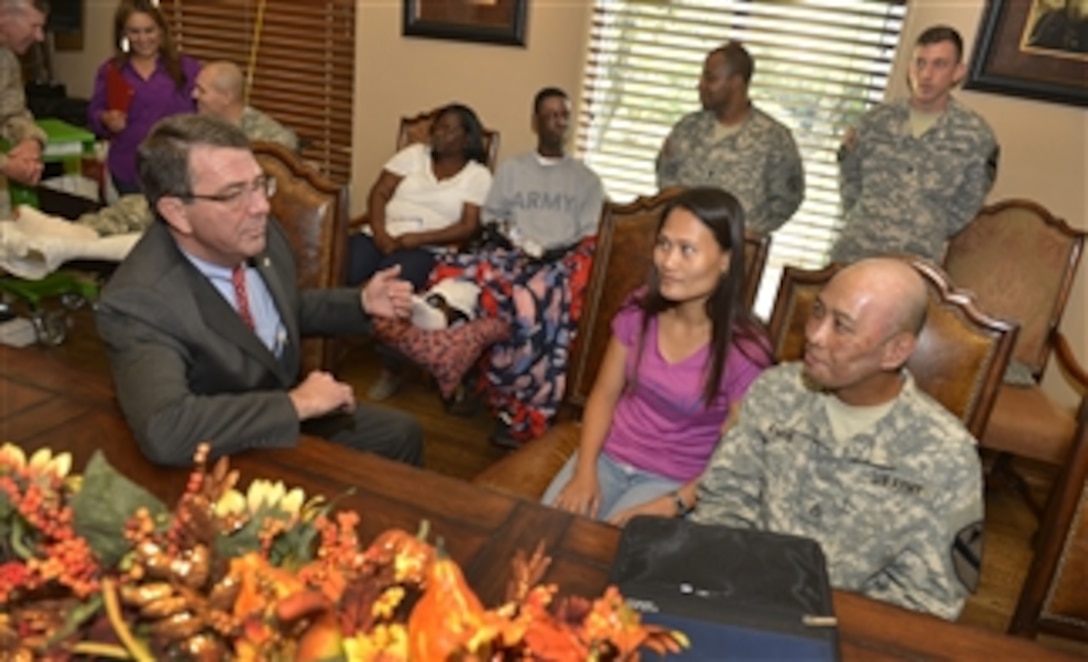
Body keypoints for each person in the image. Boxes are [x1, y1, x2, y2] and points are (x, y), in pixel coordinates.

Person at [95, 114, 423, 468]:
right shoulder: (141, 301)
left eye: (258, 184)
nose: (261, 207)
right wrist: (297, 405)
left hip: (278, 407)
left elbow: (281, 311)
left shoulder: (254, 235)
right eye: (234, 194)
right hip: (219, 448)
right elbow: (166, 430)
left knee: (402, 434)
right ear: (177, 212)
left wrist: (359, 303)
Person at [693, 257, 984, 620]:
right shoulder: (776, 392)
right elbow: (724, 503)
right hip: (743, 603)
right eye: (818, 312)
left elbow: (930, 600)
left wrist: (822, 626)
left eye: (841, 326)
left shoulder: (946, 454)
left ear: (895, 351)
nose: (814, 335)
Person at [541, 188, 772, 524]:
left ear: (726, 259)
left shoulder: (745, 350)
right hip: (608, 455)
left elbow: (738, 458)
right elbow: (604, 395)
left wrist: (671, 505)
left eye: (687, 250)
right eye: (664, 244)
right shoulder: (639, 308)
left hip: (674, 482)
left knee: (610, 556)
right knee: (542, 533)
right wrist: (585, 469)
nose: (668, 262)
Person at [426, 87, 605, 446]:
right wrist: (518, 242)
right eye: (551, 115)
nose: (559, 123)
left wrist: (554, 255)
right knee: (461, 272)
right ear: (535, 122)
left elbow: (590, 237)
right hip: (515, 252)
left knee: (531, 300)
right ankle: (453, 343)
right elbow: (492, 220)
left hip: (561, 263)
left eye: (564, 115)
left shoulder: (586, 180)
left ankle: (522, 411)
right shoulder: (513, 169)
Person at [349, 103, 492, 400]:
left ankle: (390, 369)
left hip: (426, 247)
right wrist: (379, 232)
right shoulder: (413, 156)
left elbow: (468, 227)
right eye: (437, 127)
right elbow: (379, 192)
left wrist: (418, 239)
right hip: (381, 234)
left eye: (449, 129)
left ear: (467, 138)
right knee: (342, 266)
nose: (439, 133)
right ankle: (322, 346)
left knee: (395, 292)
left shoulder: (478, 176)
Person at [832, 25, 999, 265]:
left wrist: (922, 226)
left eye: (939, 64)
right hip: (856, 252)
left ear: (958, 72)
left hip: (915, 260)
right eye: (920, 63)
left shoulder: (975, 136)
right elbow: (849, 180)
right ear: (909, 67)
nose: (926, 74)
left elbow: (966, 206)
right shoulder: (873, 122)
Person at [656, 42, 804, 236]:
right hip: (682, 242)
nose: (700, 85)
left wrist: (749, 231)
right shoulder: (687, 127)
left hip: (733, 251)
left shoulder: (774, 139)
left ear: (736, 83)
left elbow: (787, 199)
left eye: (710, 78)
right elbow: (665, 176)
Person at [88, 0, 200, 195]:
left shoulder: (187, 68)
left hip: (176, 170)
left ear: (162, 31)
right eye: (134, 32)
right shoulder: (111, 70)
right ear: (123, 33)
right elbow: (93, 115)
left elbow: (205, 113)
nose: (143, 39)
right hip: (128, 169)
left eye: (149, 30)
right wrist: (106, 119)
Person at [192, 60, 299, 151]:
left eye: (202, 91)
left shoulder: (270, 139)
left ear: (226, 97)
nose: (194, 94)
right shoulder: (198, 130)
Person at [0, 0, 47, 187]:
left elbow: (12, 113)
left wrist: (31, 141)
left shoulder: (7, 60)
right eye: (34, 26)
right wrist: (6, 165)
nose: (40, 36)